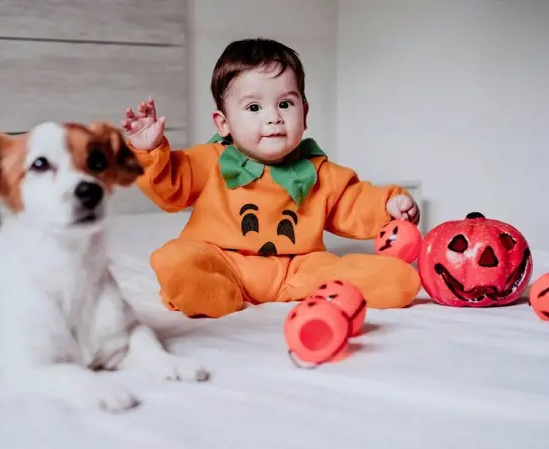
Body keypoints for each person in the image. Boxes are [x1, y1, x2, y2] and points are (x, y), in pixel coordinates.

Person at [121, 38, 422, 318]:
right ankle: (212, 294)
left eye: (285, 104)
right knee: (177, 258)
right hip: (225, 262)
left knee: (344, 271)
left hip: (298, 267)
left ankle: (387, 283)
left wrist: (390, 207)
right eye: (254, 107)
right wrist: (148, 150)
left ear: (304, 114)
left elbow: (354, 203)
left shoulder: (318, 172)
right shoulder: (211, 160)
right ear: (223, 123)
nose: (273, 117)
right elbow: (171, 184)